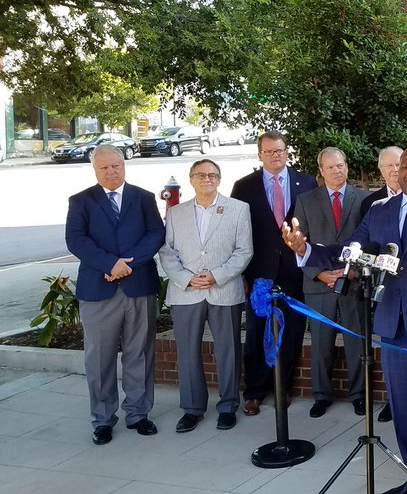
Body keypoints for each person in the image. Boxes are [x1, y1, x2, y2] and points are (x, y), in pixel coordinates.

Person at [284, 146, 407, 494]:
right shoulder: (380, 209)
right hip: (391, 325)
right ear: (395, 173)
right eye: (404, 167)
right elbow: (351, 247)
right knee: (404, 411)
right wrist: (306, 250)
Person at [65, 144, 166, 445]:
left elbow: (156, 234)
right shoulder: (81, 201)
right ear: (95, 169)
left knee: (140, 353)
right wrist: (110, 264)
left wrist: (127, 265)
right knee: (99, 359)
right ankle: (103, 419)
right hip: (99, 289)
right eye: (104, 167)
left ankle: (138, 413)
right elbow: (75, 240)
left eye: (116, 166)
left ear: (124, 165)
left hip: (138, 286)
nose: (111, 172)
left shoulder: (144, 198)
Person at [159, 159, 253, 433]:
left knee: (229, 350)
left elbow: (244, 251)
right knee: (187, 353)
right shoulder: (176, 213)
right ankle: (192, 408)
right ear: (191, 179)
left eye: (213, 175)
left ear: (219, 179)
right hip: (186, 292)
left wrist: (217, 275)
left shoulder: (238, 209)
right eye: (201, 175)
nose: (207, 179)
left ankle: (227, 406)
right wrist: (187, 278)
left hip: (223, 290)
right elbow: (167, 251)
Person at [230, 131, 317, 416]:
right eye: (268, 152)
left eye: (279, 150)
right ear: (260, 155)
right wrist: (243, 275)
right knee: (256, 333)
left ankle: (282, 387)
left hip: (294, 271)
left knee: (291, 332)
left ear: (287, 151)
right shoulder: (244, 186)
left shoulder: (306, 183)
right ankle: (254, 392)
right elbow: (238, 233)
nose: (275, 156)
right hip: (260, 274)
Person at [293, 147, 369, 418]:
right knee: (321, 343)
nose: (338, 171)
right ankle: (321, 396)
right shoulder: (305, 200)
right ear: (321, 171)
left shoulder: (364, 199)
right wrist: (318, 273)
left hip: (353, 282)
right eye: (331, 167)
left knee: (356, 342)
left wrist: (353, 273)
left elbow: (370, 242)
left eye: (341, 165)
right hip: (319, 284)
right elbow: (300, 244)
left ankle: (360, 395)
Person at [361, 145, 405, 422]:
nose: (395, 170)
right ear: (381, 171)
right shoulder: (372, 204)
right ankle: (394, 399)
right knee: (391, 348)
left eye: (399, 164)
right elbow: (366, 243)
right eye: (388, 166)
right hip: (384, 287)